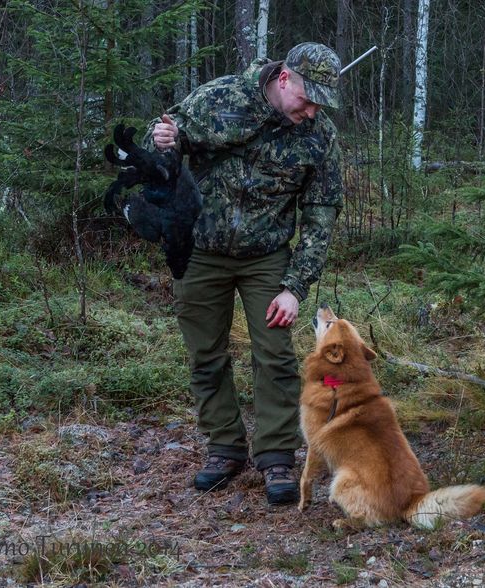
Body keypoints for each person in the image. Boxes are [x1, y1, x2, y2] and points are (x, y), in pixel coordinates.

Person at [144, 43, 343, 505]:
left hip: (266, 257)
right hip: (199, 250)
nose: (311, 111)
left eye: (320, 103)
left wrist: (295, 286)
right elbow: (168, 137)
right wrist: (163, 138)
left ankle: (276, 456)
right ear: (285, 79)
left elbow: (320, 214)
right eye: (307, 99)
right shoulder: (221, 97)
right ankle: (224, 449)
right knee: (205, 354)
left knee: (274, 355)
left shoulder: (319, 135)